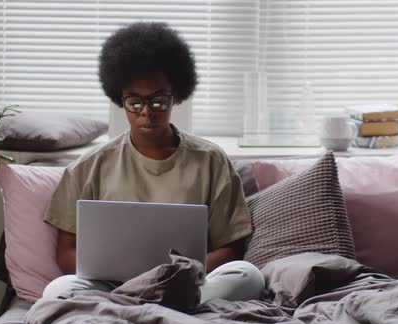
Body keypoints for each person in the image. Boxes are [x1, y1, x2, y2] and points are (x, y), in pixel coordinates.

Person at [41, 21, 264, 304]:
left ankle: (139, 310)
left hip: (188, 283)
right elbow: (66, 252)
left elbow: (231, 250)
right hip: (114, 287)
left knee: (248, 275)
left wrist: (172, 275)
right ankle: (158, 309)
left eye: (158, 101)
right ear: (120, 100)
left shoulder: (211, 160)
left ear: (176, 96)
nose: (147, 112)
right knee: (58, 289)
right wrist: (133, 281)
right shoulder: (89, 166)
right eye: (135, 102)